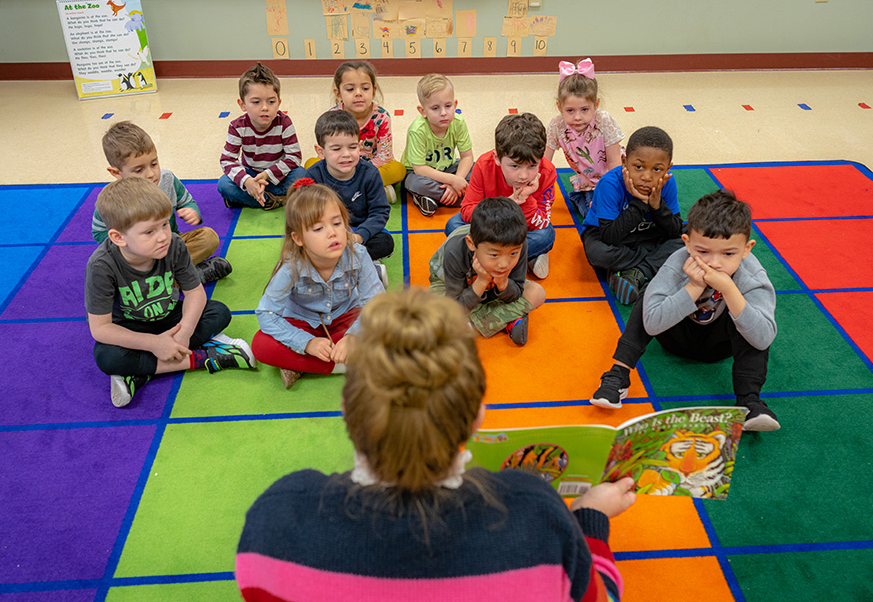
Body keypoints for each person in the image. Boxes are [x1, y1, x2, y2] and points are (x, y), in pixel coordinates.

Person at [236, 289, 633, 601]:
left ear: (346, 406)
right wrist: (589, 522)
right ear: (477, 413)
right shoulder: (538, 514)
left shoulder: (278, 518)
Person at [590, 190, 780, 432]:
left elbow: (763, 338)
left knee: (750, 316)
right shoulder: (676, 263)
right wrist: (693, 287)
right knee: (649, 294)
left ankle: (750, 401)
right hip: (675, 338)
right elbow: (652, 323)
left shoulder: (752, 276)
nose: (714, 263)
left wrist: (730, 290)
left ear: (747, 249)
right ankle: (618, 373)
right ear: (687, 243)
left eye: (728, 254)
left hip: (719, 347)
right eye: (703, 251)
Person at [85, 178, 257, 408]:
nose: (163, 236)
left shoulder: (174, 244)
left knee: (219, 312)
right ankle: (204, 358)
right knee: (107, 357)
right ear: (118, 237)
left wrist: (184, 332)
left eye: (165, 224)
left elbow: (195, 293)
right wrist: (154, 344)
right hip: (131, 328)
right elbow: (101, 328)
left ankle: (140, 373)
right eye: (149, 231)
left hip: (170, 320)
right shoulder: (101, 265)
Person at [251, 180, 385, 389]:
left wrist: (353, 336)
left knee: (390, 327)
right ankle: (343, 365)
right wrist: (306, 342)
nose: (332, 233)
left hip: (345, 317)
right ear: (298, 238)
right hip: (303, 322)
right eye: (318, 228)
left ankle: (301, 365)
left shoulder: (357, 254)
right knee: (261, 346)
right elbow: (266, 314)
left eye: (337, 223)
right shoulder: (290, 266)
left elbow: (376, 305)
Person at [92, 120, 232, 285]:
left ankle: (166, 281)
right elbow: (99, 233)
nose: (151, 174)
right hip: (140, 256)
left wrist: (191, 210)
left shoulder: (167, 180)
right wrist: (130, 246)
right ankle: (186, 276)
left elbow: (187, 201)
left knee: (208, 237)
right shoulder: (112, 199)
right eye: (139, 170)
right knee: (110, 269)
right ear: (116, 172)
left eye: (154, 164)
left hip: (171, 244)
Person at [580, 126, 684, 305]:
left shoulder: (667, 182)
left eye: (657, 169)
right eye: (638, 166)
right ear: (624, 161)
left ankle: (638, 272)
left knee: (693, 237)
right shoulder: (610, 183)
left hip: (648, 235)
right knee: (598, 253)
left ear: (668, 168)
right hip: (610, 236)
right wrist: (640, 203)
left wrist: (657, 206)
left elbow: (674, 231)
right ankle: (650, 267)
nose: (646, 176)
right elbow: (609, 236)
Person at [447, 113, 558, 279]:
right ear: (497, 158)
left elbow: (541, 221)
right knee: (453, 225)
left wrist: (525, 199)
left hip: (520, 230)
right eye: (515, 166)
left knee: (545, 236)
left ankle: (486, 259)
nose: (523, 176)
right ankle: (517, 259)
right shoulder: (484, 165)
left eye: (532, 166)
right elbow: (467, 210)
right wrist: (511, 203)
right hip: (488, 227)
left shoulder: (547, 172)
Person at [430, 198, 545, 346]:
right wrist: (482, 281)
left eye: (513, 254)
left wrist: (503, 282)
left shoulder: (519, 245)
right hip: (452, 288)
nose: (504, 264)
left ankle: (471, 327)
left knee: (537, 292)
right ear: (471, 244)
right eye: (494, 255)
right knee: (433, 312)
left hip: (495, 290)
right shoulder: (455, 251)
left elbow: (516, 291)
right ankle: (508, 319)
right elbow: (455, 306)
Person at [307, 109, 393, 286]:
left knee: (385, 243)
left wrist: (359, 236)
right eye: (337, 149)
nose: (346, 154)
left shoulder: (370, 173)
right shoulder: (313, 176)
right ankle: (365, 269)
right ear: (320, 151)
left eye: (352, 147)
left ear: (360, 146)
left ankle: (336, 268)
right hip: (328, 233)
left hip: (359, 232)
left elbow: (380, 212)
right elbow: (306, 216)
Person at [217, 62, 309, 210]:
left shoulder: (284, 122)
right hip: (250, 174)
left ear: (278, 103)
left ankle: (253, 198)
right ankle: (276, 199)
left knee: (302, 175)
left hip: (277, 174)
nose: (265, 107)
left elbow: (294, 157)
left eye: (271, 102)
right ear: (242, 105)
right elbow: (227, 160)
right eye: (256, 102)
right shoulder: (237, 126)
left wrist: (267, 174)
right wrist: (247, 181)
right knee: (223, 184)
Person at [544, 58, 625, 219]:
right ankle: (579, 196)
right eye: (570, 111)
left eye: (585, 109)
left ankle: (586, 196)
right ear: (559, 107)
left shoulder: (604, 120)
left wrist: (612, 194)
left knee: (616, 212)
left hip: (613, 177)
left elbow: (615, 164)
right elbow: (544, 163)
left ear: (596, 104)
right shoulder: (557, 126)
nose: (578, 117)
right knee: (595, 216)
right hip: (589, 180)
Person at [322, 61, 406, 204]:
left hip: (372, 167)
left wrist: (359, 172)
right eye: (350, 89)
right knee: (311, 166)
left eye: (365, 88)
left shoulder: (382, 117)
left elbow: (384, 156)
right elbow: (328, 152)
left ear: (373, 92)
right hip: (341, 166)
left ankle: (344, 193)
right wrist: (345, 169)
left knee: (398, 170)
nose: (358, 94)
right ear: (338, 94)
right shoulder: (332, 117)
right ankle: (374, 192)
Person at [401, 73, 474, 217]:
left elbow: (467, 156)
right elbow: (420, 169)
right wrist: (454, 181)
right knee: (414, 183)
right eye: (435, 108)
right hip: (419, 173)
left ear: (455, 104)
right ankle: (465, 197)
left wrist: (457, 180)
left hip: (448, 168)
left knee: (479, 169)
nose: (443, 113)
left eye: (448, 106)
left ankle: (435, 198)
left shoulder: (458, 122)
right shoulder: (417, 130)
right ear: (423, 111)